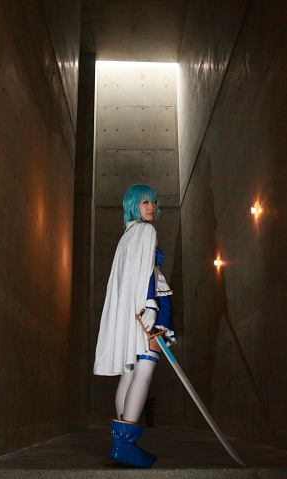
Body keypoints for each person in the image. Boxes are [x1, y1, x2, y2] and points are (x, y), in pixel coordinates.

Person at [93, 184, 175, 468]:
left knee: (129, 373)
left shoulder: (126, 236)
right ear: (132, 205)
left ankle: (121, 441)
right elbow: (146, 274)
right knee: (144, 371)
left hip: (131, 313)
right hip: (147, 309)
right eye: (144, 202)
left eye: (153, 202)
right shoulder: (146, 231)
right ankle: (126, 443)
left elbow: (126, 281)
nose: (151, 207)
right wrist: (150, 306)